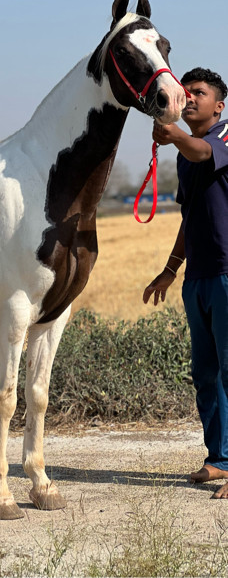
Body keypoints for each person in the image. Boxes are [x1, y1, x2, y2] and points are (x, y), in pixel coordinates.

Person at [143, 67, 228, 499]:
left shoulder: (223, 138)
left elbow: (201, 152)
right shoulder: (184, 150)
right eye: (187, 92)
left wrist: (173, 134)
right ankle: (219, 460)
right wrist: (171, 268)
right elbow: (189, 216)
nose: (190, 98)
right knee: (205, 372)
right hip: (197, 277)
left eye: (199, 93)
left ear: (219, 104)